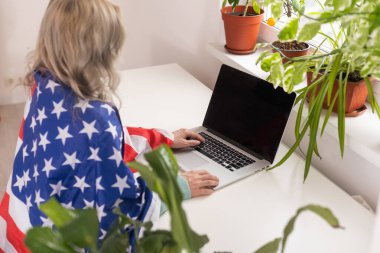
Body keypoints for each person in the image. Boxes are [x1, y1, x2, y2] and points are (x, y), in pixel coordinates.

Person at [0, 0, 219, 252]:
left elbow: (94, 149)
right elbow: (117, 216)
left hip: (18, 230)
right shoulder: (95, 123)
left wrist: (162, 138)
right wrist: (177, 187)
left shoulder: (42, 85)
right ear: (101, 51)